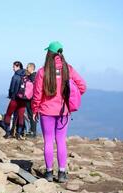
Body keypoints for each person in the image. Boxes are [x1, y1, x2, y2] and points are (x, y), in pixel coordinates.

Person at [33, 41, 86, 183]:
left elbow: (37, 94)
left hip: (46, 111)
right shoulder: (68, 70)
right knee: (61, 141)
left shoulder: (42, 72)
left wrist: (34, 109)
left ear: (49, 53)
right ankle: (62, 173)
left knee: (48, 141)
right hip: (63, 111)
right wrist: (71, 96)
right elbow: (82, 86)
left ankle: (49, 173)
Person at [3, 61, 26, 140]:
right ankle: (18, 134)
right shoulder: (26, 75)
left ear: (18, 66)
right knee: (21, 116)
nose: (13, 68)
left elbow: (12, 88)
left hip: (15, 98)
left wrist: (10, 95)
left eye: (14, 67)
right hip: (23, 99)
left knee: (8, 114)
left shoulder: (15, 76)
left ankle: (7, 132)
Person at [25, 63, 37, 137]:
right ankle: (32, 131)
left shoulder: (33, 77)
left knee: (32, 115)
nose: (26, 68)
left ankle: (33, 132)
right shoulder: (32, 76)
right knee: (30, 115)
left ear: (31, 68)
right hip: (30, 98)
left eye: (27, 67)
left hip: (31, 98)